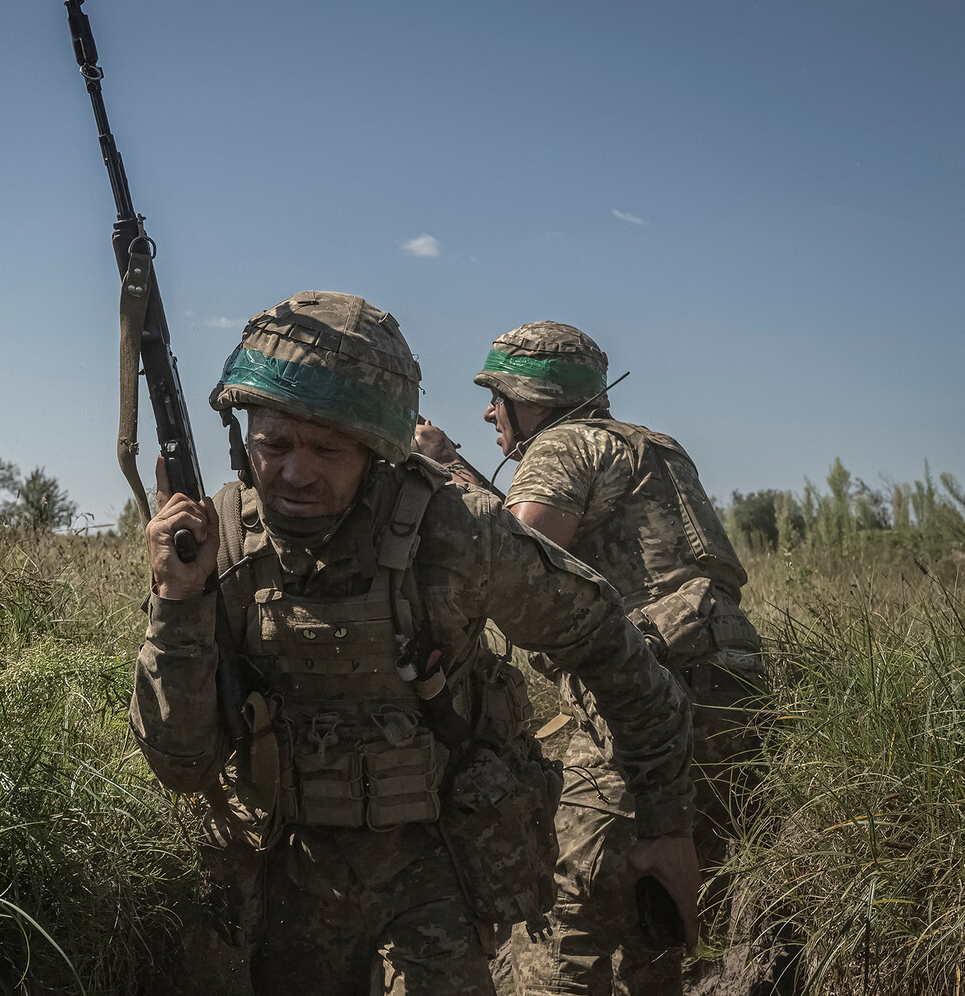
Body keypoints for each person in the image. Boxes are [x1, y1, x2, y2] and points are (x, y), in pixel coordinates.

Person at [131, 292, 700, 996]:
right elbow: (183, 764)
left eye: (327, 450)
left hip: (438, 867)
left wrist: (666, 825)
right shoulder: (214, 543)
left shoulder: (457, 534)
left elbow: (613, 652)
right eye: (273, 446)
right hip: (287, 873)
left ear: (379, 452)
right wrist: (177, 604)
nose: (295, 474)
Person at [420, 320, 764, 995]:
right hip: (735, 694)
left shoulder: (560, 444)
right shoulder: (656, 448)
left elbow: (512, 563)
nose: (488, 413)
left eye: (496, 396)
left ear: (531, 400)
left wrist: (440, 469)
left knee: (563, 923)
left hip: (643, 702)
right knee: (656, 922)